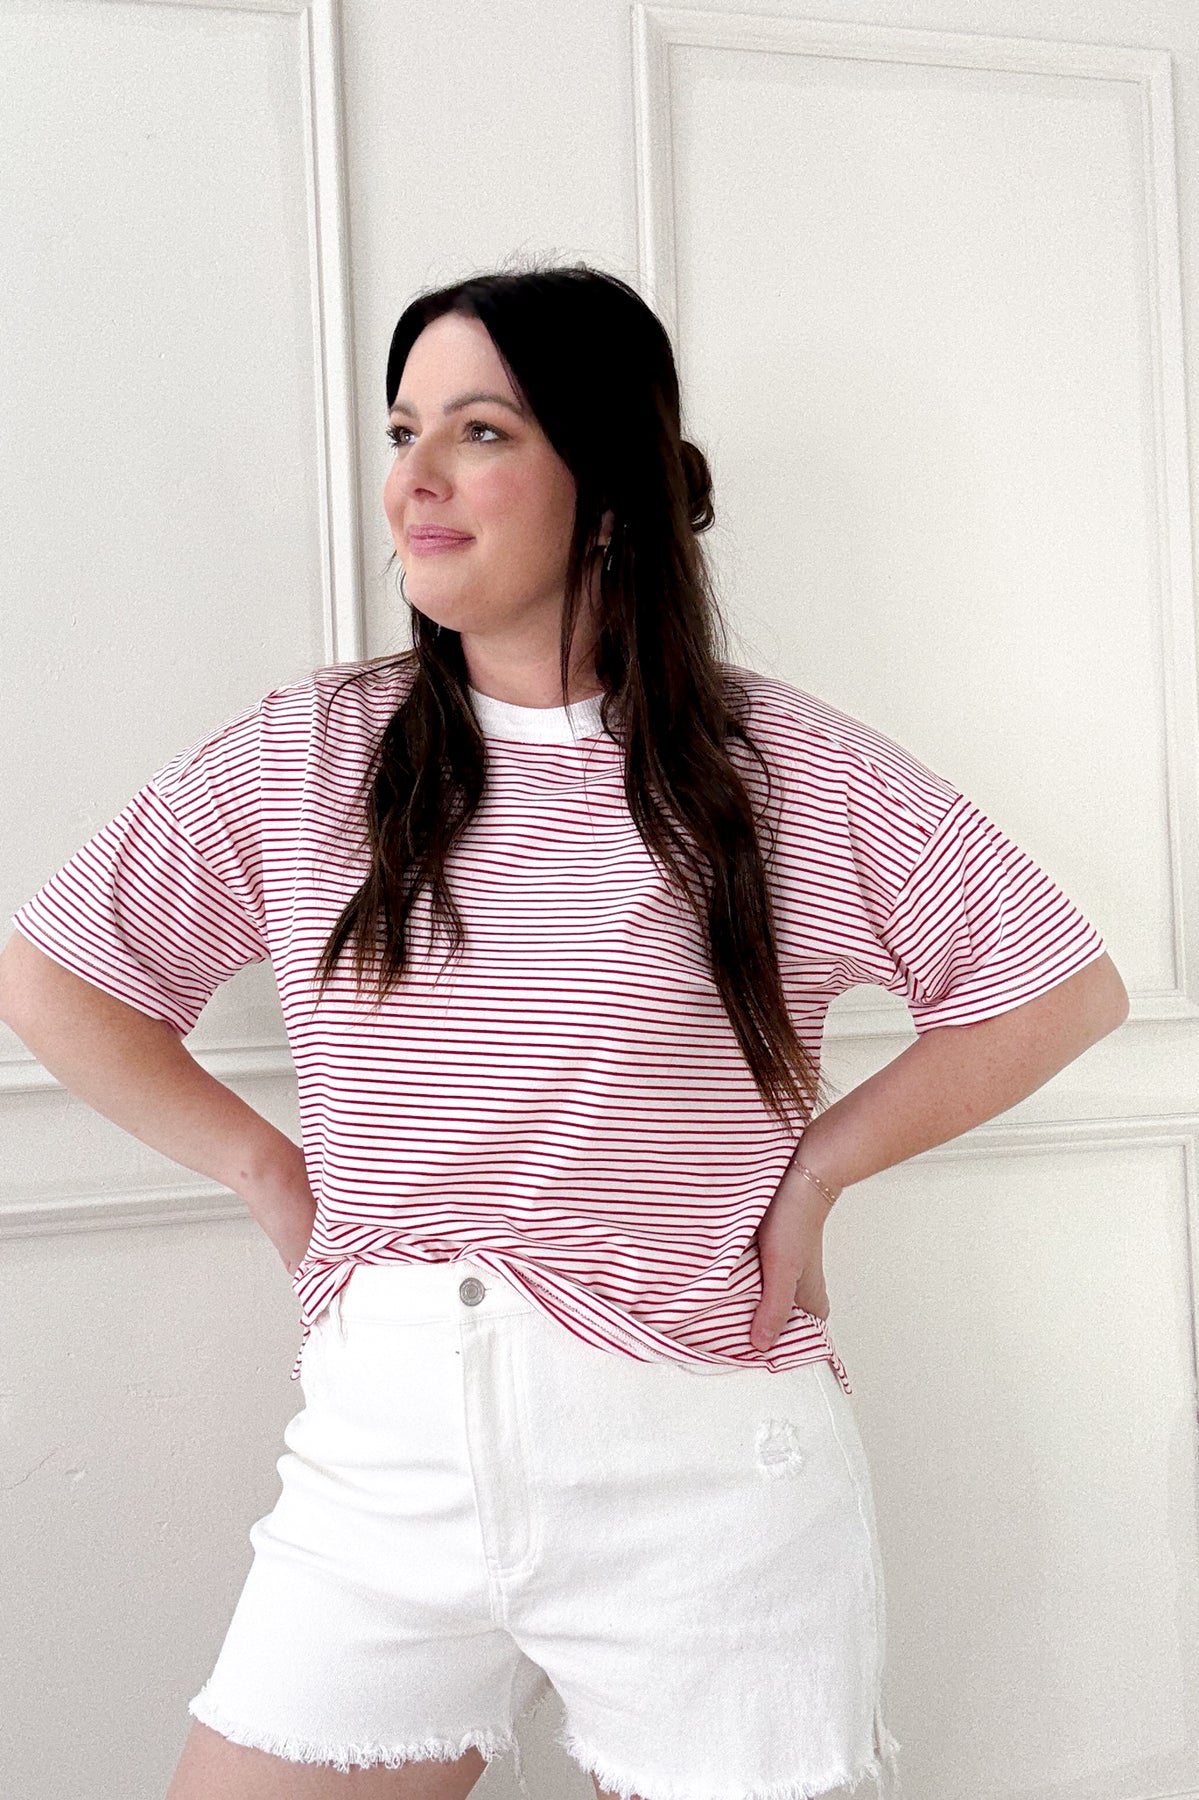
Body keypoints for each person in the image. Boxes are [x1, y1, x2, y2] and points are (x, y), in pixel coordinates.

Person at [0, 263, 1129, 1800]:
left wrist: (816, 1174)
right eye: (403, 431)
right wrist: (270, 1170)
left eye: (479, 431)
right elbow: (58, 976)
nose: (415, 479)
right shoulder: (306, 755)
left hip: (701, 1468)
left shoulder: (777, 772)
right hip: (387, 1463)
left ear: (604, 487)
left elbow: (1055, 986)